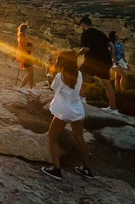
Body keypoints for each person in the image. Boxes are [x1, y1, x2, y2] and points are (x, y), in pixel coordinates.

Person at [41, 51, 92, 181]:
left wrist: (48, 74)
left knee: (51, 137)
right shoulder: (79, 74)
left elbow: (52, 88)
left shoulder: (60, 76)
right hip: (77, 110)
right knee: (80, 139)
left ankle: (56, 169)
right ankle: (87, 169)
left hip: (63, 111)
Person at [77, 16, 118, 115]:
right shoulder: (100, 33)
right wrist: (112, 57)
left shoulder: (85, 34)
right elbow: (111, 45)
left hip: (93, 61)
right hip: (105, 61)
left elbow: (86, 48)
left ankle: (82, 97)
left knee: (79, 74)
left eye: (81, 25)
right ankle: (113, 108)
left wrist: (75, 55)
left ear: (83, 24)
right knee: (107, 84)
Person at [15, 23, 38, 96]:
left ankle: (31, 88)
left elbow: (32, 44)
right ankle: (21, 87)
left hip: (28, 57)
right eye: (28, 28)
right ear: (25, 29)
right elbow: (22, 49)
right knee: (30, 73)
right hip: (25, 58)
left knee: (31, 73)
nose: (29, 29)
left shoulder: (26, 37)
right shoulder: (22, 38)